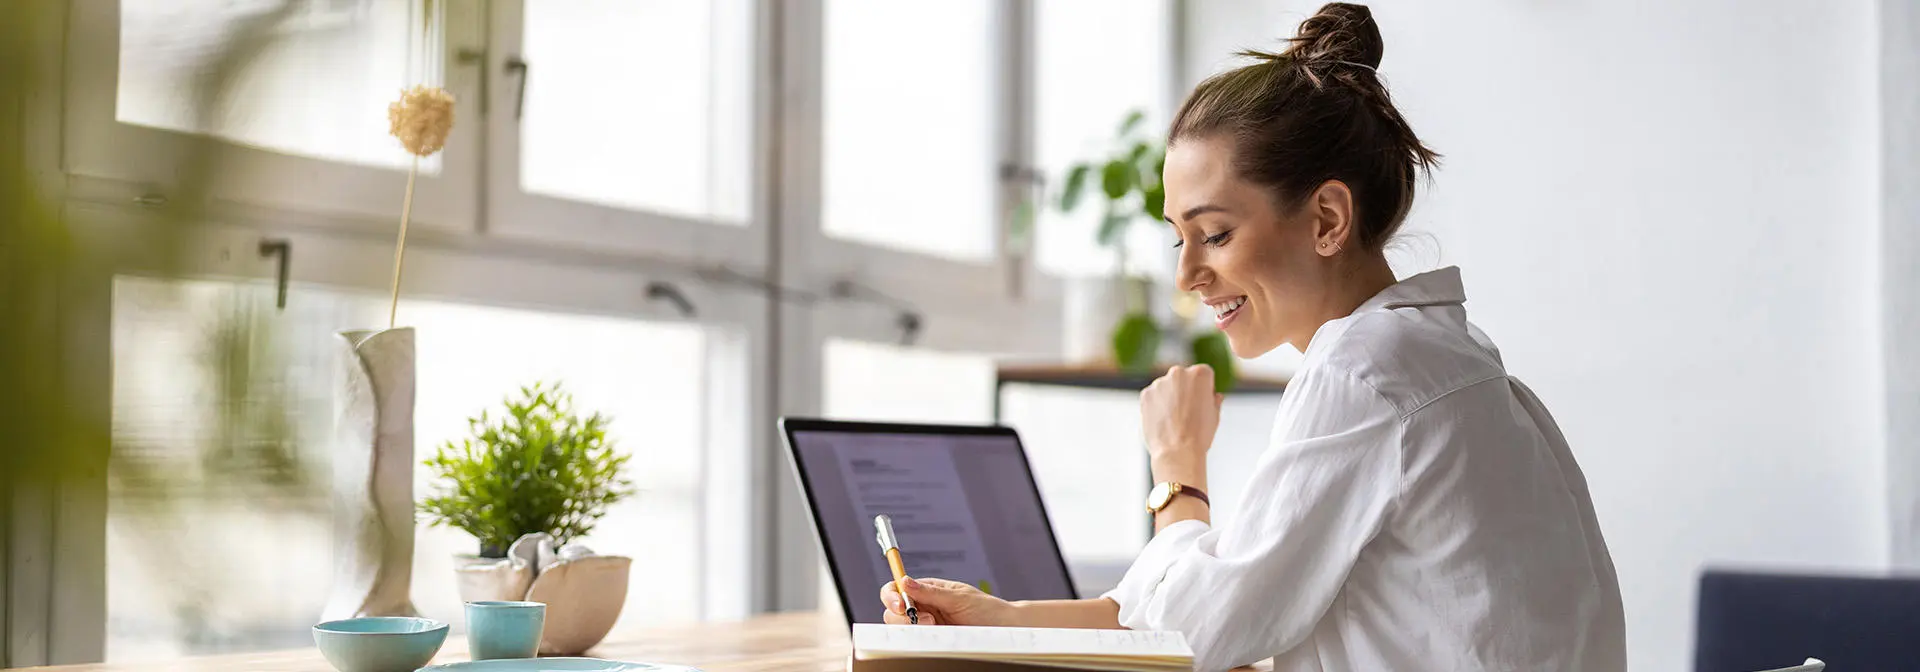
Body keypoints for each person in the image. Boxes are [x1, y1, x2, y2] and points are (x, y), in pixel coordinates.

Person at [877, 3, 1627, 670]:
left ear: (1327, 220)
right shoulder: (1441, 358)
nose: (1188, 275)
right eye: (1179, 239)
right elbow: (1194, 602)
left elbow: (1193, 637)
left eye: (1215, 233)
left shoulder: (1364, 375)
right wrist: (1004, 625)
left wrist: (1177, 468)